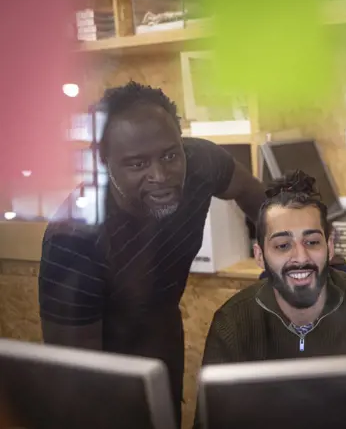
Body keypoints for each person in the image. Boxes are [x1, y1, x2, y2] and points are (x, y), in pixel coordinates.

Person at [37, 81, 266, 426]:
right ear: (105, 162)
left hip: (162, 331)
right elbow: (75, 377)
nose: (160, 176)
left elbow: (254, 194)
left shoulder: (200, 162)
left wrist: (291, 252)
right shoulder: (75, 239)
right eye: (137, 164)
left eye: (170, 155)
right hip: (107, 363)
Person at [200, 170, 346, 365]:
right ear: (260, 256)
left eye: (312, 242)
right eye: (283, 245)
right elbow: (215, 412)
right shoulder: (233, 323)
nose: (300, 257)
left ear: (330, 247)